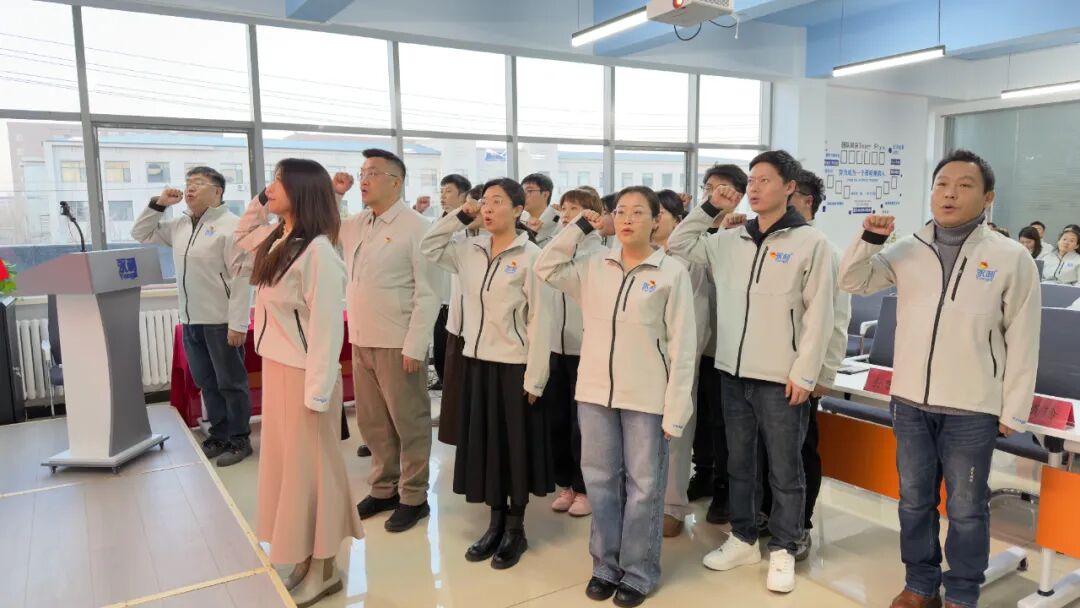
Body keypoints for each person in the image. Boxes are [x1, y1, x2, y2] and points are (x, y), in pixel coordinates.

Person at [840, 149, 1041, 608]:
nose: (949, 194)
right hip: (910, 402)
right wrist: (870, 239)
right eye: (942, 184)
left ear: (987, 197)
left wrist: (1013, 410)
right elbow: (852, 281)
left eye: (964, 186)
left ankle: (963, 594)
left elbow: (1024, 338)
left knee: (967, 508)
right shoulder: (908, 249)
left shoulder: (1010, 258)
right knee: (913, 501)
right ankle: (920, 585)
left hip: (973, 407)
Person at [669, 150, 836, 594]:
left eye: (765, 180)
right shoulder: (730, 240)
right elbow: (679, 244)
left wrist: (806, 373)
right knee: (739, 463)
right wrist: (710, 207)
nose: (755, 188)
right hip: (732, 371)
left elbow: (820, 314)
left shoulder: (811, 243)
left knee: (785, 469)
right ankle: (743, 538)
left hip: (782, 377)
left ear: (789, 188)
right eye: (752, 181)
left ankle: (784, 546)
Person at [536, 186, 696, 607]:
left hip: (647, 397)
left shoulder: (671, 272)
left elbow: (683, 347)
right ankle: (605, 565)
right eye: (620, 211)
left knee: (644, 487)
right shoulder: (594, 266)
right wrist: (579, 226)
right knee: (600, 481)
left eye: (638, 212)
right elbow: (545, 266)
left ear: (656, 221)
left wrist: (676, 408)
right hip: (594, 393)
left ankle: (639, 572)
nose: (627, 219)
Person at [233, 158, 364, 607]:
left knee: (314, 473)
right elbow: (239, 238)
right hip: (278, 369)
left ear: (302, 191)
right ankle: (305, 558)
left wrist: (319, 393)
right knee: (290, 471)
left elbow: (328, 331)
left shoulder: (319, 253)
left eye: (278, 181)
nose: (269, 187)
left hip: (306, 376)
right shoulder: (280, 239)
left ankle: (324, 567)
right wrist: (260, 200)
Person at [421, 177, 554, 570]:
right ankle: (494, 522)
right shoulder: (470, 249)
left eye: (498, 201)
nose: (489, 208)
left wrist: (536, 377)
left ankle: (516, 528)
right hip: (476, 363)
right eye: (485, 201)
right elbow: (429, 246)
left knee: (514, 448)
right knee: (488, 446)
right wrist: (460, 216)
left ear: (518, 209)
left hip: (515, 365)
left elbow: (540, 320)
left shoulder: (531, 256)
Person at [334, 149, 441, 533]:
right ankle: (383, 488)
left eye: (373, 173)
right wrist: (337, 194)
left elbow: (429, 293)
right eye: (362, 172)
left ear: (396, 182)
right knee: (373, 422)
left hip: (399, 342)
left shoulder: (418, 227)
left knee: (409, 422)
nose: (364, 179)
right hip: (362, 338)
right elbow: (325, 228)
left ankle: (413, 496)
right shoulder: (357, 223)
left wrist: (416, 345)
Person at [131, 166, 254, 467]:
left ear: (218, 191)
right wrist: (160, 204)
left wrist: (238, 323)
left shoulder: (232, 227)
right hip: (190, 320)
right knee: (206, 382)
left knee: (231, 383)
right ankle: (219, 434)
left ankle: (240, 439)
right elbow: (140, 233)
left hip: (221, 320)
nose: (190, 188)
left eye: (198, 183)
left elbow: (242, 279)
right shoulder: (180, 225)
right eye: (188, 183)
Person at [770, 168, 851, 558]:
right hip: (770, 369)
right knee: (772, 454)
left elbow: (836, 319)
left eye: (790, 195)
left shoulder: (826, 250)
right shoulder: (772, 244)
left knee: (800, 452)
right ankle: (772, 518)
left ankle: (799, 524)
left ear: (807, 201)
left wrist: (823, 372)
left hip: (803, 373)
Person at [686, 163, 747, 526]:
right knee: (701, 418)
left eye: (721, 188)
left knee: (724, 423)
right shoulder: (698, 230)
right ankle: (704, 472)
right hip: (699, 343)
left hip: (729, 345)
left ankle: (725, 487)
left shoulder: (742, 233)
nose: (713, 194)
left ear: (738, 194)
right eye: (708, 188)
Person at [543, 188, 608, 519]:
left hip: (586, 351)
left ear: (591, 214)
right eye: (564, 209)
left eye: (575, 209)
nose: (566, 214)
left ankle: (585, 488)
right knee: (557, 421)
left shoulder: (601, 255)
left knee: (583, 426)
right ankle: (567, 483)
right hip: (555, 348)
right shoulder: (555, 249)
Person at [652, 189, 710, 539]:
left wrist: (685, 361)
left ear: (678, 220)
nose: (653, 219)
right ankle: (644, 500)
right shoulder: (637, 255)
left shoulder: (690, 261)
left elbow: (697, 318)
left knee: (675, 435)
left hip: (677, 362)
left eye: (660, 213)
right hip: (642, 363)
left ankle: (672, 505)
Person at [439, 184, 484, 447]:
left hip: (488, 336)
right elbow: (429, 244)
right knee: (458, 401)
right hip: (458, 329)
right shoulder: (460, 241)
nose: (475, 210)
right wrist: (460, 217)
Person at [431, 174, 473, 393]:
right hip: (441, 303)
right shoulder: (439, 225)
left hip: (461, 306)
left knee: (458, 365)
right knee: (441, 359)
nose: (443, 196)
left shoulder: (470, 228)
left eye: (448, 191)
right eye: (441, 191)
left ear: (464, 196)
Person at [521, 173, 560, 245]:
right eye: (522, 191)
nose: (523, 195)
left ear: (545, 194)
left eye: (529, 191)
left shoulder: (560, 220)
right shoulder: (517, 220)